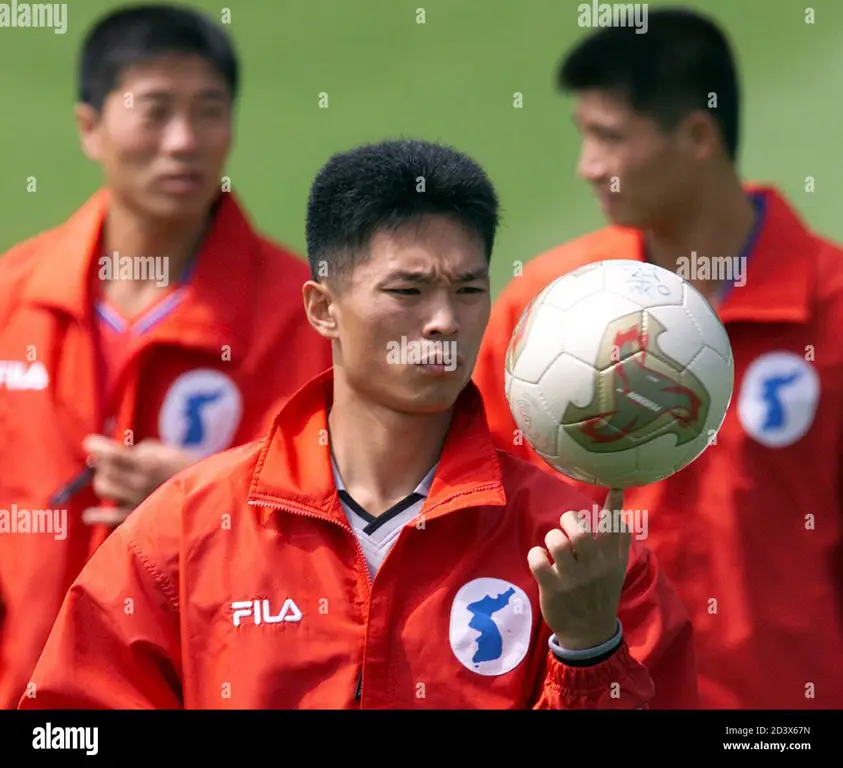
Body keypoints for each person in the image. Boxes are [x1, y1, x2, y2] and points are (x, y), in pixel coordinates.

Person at [19, 138, 698, 710]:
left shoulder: (574, 552)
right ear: (321, 308)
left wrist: (588, 650)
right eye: (407, 290)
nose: (442, 320)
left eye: (467, 290)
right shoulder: (183, 532)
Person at [472, 9, 843, 709]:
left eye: (608, 137)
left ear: (696, 135)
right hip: (600, 695)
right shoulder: (546, 310)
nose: (586, 166)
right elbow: (481, 515)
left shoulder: (831, 305)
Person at [0, 5, 331, 710]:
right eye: (154, 112)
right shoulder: (10, 298)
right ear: (89, 127)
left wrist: (209, 501)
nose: (183, 141)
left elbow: (351, 526)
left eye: (208, 111)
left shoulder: (311, 317)